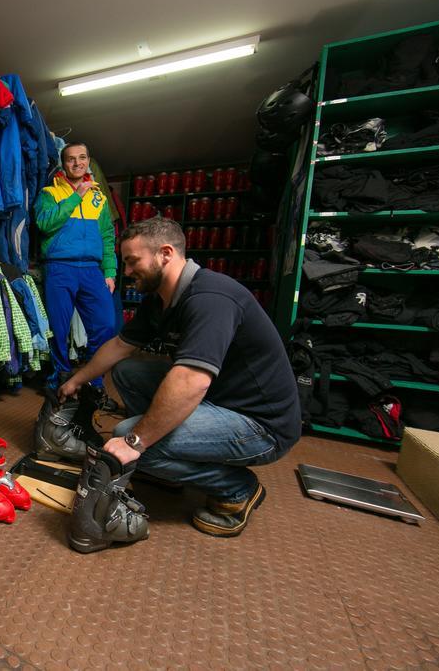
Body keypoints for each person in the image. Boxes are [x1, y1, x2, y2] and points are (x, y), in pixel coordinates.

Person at [59, 217, 301, 537]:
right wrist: (77, 379)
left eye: (133, 262)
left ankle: (237, 489)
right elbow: (121, 345)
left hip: (262, 424)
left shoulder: (210, 297)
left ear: (166, 254)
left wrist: (137, 442)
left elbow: (192, 380)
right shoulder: (160, 298)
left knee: (129, 434)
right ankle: (170, 465)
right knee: (129, 372)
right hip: (221, 397)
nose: (127, 272)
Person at [35, 141, 121, 395]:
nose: (77, 163)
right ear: (64, 164)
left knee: (105, 325)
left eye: (82, 158)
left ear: (88, 161)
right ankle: (58, 377)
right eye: (71, 159)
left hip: (92, 270)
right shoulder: (49, 193)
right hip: (59, 267)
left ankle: (93, 381)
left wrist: (109, 271)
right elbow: (44, 224)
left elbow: (107, 235)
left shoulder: (99, 197)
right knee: (58, 330)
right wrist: (76, 196)